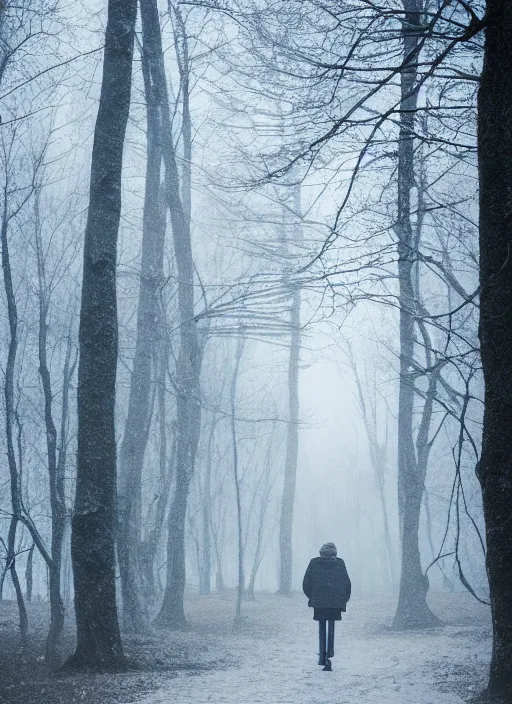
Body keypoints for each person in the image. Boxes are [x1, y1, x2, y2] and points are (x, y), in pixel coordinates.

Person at [302, 542, 351, 671]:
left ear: (321, 552)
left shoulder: (314, 563)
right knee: (331, 626)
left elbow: (306, 583)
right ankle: (330, 654)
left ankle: (322, 656)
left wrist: (312, 597)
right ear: (335, 552)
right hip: (335, 603)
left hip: (319, 602)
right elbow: (347, 583)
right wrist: (343, 600)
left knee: (321, 626)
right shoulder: (340, 563)